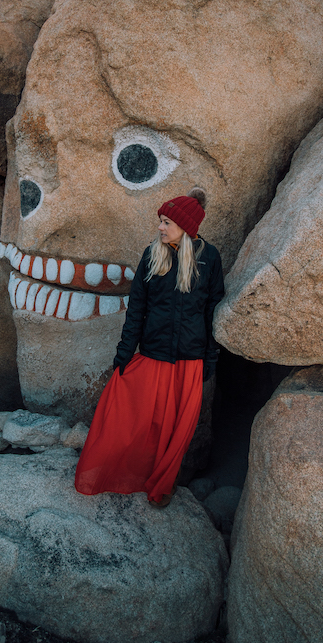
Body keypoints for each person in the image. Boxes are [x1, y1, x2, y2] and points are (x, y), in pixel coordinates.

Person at [74, 187, 224, 507]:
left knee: (176, 432)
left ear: (186, 227)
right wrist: (125, 353)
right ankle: (114, 475)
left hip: (190, 360)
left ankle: (162, 486)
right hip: (153, 355)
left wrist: (211, 356)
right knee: (132, 423)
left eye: (167, 222)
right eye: (161, 220)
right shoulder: (151, 255)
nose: (160, 227)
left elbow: (213, 310)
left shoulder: (208, 258)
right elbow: (137, 308)